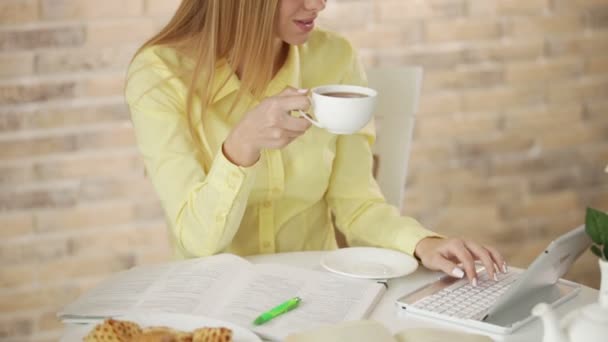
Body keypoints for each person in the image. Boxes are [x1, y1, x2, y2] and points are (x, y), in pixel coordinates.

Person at [125, 0, 506, 285]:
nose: (319, 3)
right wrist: (241, 147)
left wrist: (423, 243)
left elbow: (356, 205)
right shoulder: (160, 74)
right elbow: (197, 241)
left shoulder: (334, 57)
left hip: (316, 290)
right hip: (213, 298)